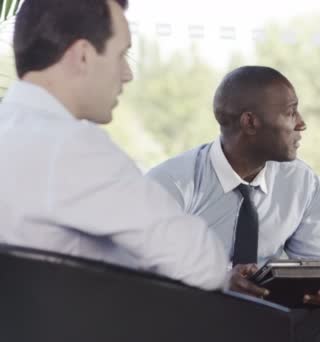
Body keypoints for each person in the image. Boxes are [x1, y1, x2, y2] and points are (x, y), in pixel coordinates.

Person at [0, 0, 228, 290]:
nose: (127, 74)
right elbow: (205, 265)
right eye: (121, 55)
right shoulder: (71, 146)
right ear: (83, 56)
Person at [146, 65, 320, 342]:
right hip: (194, 316)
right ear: (250, 122)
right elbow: (147, 266)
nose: (301, 123)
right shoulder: (174, 182)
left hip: (267, 317)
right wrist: (220, 281)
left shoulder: (299, 180)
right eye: (291, 112)